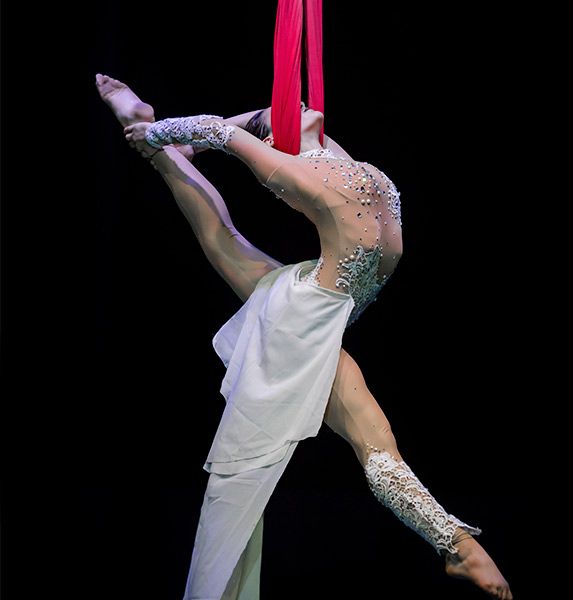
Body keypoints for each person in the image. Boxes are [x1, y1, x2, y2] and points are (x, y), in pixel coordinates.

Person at [96, 74, 513, 600]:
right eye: (275, 126)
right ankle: (457, 546)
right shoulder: (314, 170)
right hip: (304, 319)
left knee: (223, 240)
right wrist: (158, 136)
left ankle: (455, 546)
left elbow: (246, 123)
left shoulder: (327, 159)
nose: (286, 118)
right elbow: (222, 132)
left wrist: (177, 139)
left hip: (314, 304)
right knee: (375, 443)